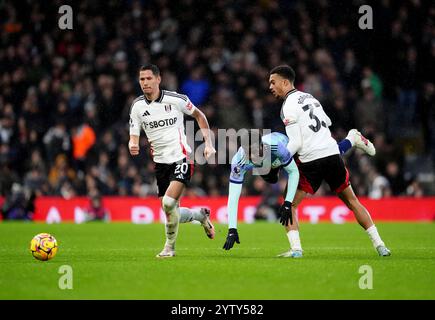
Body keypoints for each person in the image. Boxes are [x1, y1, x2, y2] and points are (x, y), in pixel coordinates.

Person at [268, 65, 390, 257]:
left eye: (273, 82)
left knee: (289, 204)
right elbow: (327, 122)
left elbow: (296, 142)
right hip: (332, 156)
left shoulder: (288, 106)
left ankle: (296, 249)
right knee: (352, 201)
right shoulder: (310, 97)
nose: (270, 87)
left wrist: (276, 162)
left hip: (311, 162)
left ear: (285, 82)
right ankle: (380, 245)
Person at [222, 130, 374, 256]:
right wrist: (232, 229)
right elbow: (233, 198)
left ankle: (351, 139)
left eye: (257, 152)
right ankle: (296, 248)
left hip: (291, 146)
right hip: (275, 163)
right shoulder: (239, 162)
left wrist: (287, 203)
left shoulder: (276, 147)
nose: (254, 157)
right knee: (272, 180)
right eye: (251, 154)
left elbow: (293, 172)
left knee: (322, 158)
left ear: (262, 147)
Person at [129, 64, 216, 258]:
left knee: (168, 203)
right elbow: (133, 134)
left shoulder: (176, 100)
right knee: (170, 211)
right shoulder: (137, 106)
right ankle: (200, 215)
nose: (145, 83)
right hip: (160, 163)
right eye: (142, 79)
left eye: (149, 78)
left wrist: (208, 143)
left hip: (182, 157)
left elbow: (199, 116)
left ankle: (170, 248)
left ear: (158, 79)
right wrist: (132, 144)